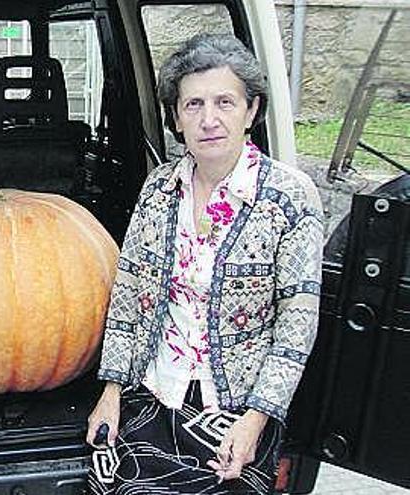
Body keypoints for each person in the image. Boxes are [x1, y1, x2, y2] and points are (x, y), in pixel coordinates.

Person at [85, 33, 323, 494]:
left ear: (252, 110)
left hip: (236, 415)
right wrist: (111, 392)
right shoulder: (157, 190)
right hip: (152, 396)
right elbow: (128, 294)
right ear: (175, 117)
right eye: (192, 105)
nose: (209, 119)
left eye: (224, 102)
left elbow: (297, 326)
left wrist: (256, 421)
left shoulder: (290, 197)